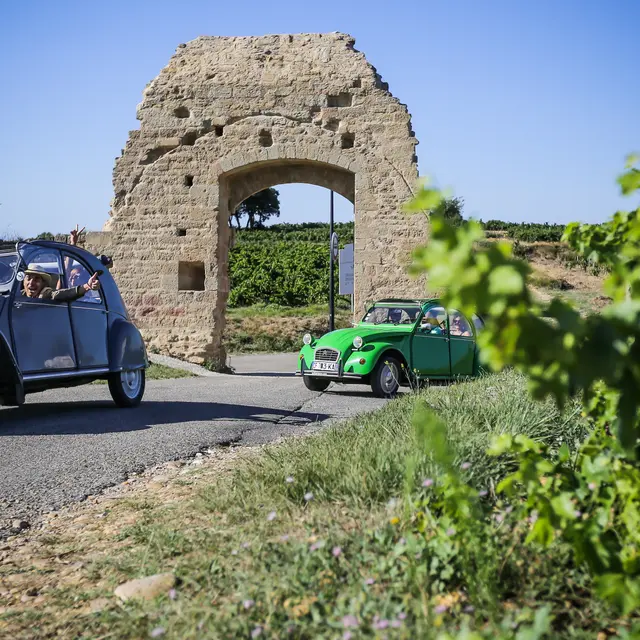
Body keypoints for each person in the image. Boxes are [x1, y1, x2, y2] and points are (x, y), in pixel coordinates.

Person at [23, 263, 99, 301]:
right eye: (28, 278)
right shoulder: (19, 296)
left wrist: (87, 286)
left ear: (43, 283)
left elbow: (61, 294)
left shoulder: (46, 294)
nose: (31, 282)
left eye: (36, 279)